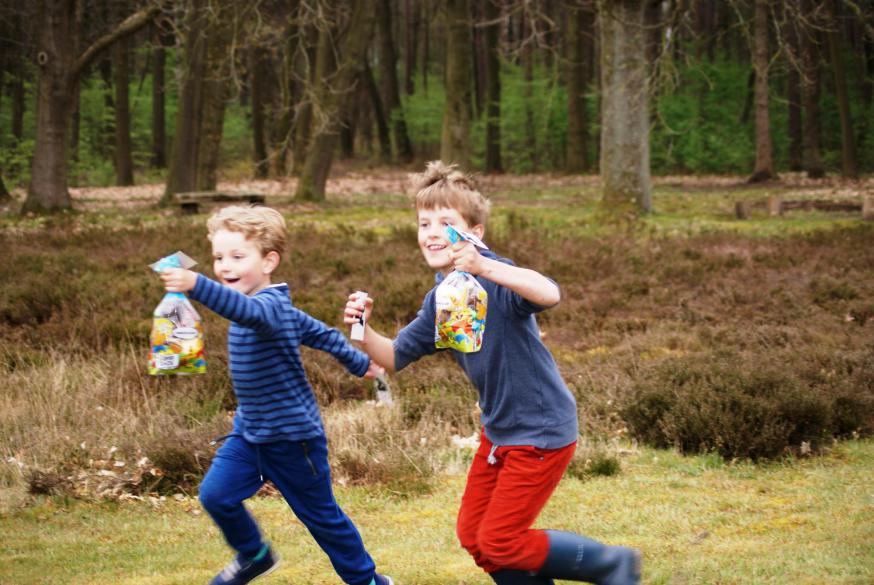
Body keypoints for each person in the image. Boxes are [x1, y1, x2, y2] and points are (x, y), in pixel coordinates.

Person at [342, 162, 641, 585]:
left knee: (501, 540)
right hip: (500, 432)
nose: (431, 232)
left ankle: (613, 565)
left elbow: (549, 293)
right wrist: (362, 327)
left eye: (445, 223)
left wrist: (485, 267)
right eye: (423, 223)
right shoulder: (441, 299)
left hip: (541, 429)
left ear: (474, 233)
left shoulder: (498, 278)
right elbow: (391, 357)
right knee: (475, 535)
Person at [161, 205, 393, 585]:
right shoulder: (267, 309)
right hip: (250, 435)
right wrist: (359, 362)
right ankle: (255, 556)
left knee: (321, 517)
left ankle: (367, 580)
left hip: (293, 440)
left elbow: (246, 311)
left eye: (238, 256)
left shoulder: (266, 307)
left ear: (269, 261)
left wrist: (196, 284)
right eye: (219, 257)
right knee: (216, 495)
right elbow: (324, 335)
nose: (225, 266)